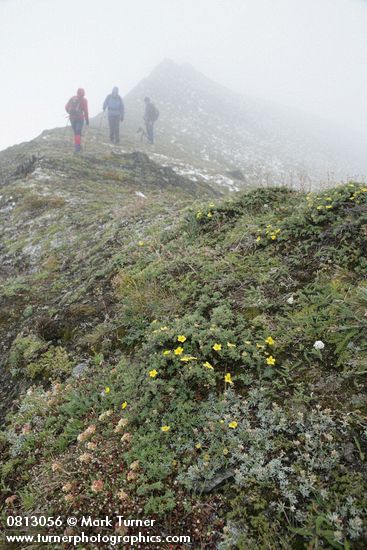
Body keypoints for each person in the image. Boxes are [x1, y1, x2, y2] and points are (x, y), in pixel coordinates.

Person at [65, 88, 89, 153]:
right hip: (80, 118)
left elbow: (66, 107)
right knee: (78, 132)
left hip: (72, 118)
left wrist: (70, 112)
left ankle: (77, 145)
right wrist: (87, 120)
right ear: (84, 94)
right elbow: (86, 111)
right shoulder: (84, 100)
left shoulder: (73, 98)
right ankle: (77, 146)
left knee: (76, 132)